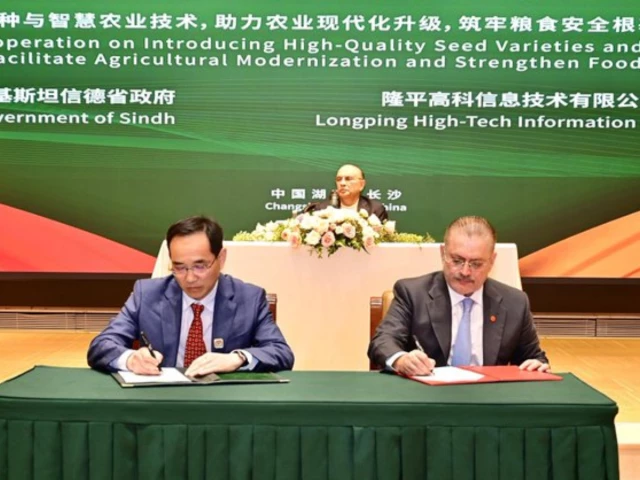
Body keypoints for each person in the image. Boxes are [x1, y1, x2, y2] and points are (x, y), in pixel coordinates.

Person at [88, 216, 294, 376]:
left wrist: (237, 358)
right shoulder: (147, 294)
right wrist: (130, 359)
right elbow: (102, 345)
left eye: (200, 266)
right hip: (163, 400)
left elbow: (281, 352)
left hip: (225, 402)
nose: (190, 278)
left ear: (221, 258)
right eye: (179, 267)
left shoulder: (249, 298)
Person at [368, 216, 549, 375]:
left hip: (489, 396)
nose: (465, 271)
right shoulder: (413, 293)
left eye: (476, 264)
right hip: (427, 394)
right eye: (457, 260)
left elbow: (533, 357)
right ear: (442, 253)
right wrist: (401, 360)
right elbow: (383, 341)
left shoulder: (515, 302)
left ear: (492, 261)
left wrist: (537, 365)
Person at [313, 164, 388, 221]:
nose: (342, 183)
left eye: (348, 179)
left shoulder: (375, 209)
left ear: (362, 184)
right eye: (339, 179)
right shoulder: (322, 209)